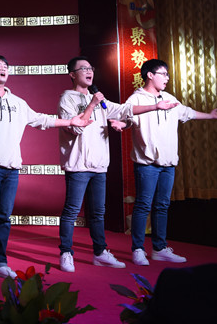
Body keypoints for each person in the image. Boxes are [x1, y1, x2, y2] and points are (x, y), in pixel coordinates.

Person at [0, 55, 93, 283]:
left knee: (4, 217)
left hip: (12, 169)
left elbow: (40, 120)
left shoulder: (18, 102)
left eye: (6, 66)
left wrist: (70, 122)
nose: (4, 69)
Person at [57, 57, 177, 273]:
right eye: (83, 68)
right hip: (78, 165)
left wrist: (155, 106)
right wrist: (92, 104)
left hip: (99, 164)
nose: (89, 71)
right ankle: (66, 252)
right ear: (72, 74)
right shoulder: (67, 98)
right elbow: (75, 128)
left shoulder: (99, 99)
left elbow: (124, 110)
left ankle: (100, 252)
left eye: (90, 67)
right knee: (72, 210)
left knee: (98, 212)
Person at [124, 59, 217, 266]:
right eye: (163, 74)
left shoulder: (169, 98)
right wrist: (119, 123)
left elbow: (187, 113)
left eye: (167, 74)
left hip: (168, 164)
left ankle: (159, 248)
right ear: (150, 75)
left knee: (162, 205)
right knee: (143, 205)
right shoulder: (136, 99)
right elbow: (126, 117)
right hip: (147, 163)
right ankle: (138, 249)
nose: (167, 78)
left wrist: (210, 116)